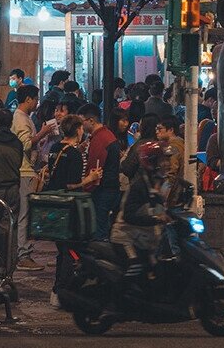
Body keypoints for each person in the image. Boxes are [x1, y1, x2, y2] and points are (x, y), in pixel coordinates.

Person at [46, 113, 101, 307]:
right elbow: (71, 184)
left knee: (63, 250)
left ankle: (58, 291)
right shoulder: (75, 154)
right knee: (70, 250)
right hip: (68, 207)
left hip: (54, 206)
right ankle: (61, 292)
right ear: (78, 130)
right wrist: (90, 178)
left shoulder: (55, 148)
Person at [110, 141, 174, 277]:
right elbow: (129, 214)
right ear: (152, 162)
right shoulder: (139, 186)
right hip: (126, 238)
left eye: (168, 159)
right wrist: (156, 219)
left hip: (147, 242)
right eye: (163, 160)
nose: (167, 164)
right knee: (135, 269)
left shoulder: (163, 184)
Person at [13, 83, 54, 270]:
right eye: (36, 99)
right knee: (24, 215)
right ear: (28, 99)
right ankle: (23, 255)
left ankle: (20, 252)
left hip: (24, 170)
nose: (37, 103)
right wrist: (43, 133)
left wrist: (40, 137)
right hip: (24, 172)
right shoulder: (21, 119)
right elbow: (26, 145)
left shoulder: (22, 118)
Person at [79, 102, 121, 240]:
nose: (81, 126)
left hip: (103, 191)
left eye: (82, 122)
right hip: (109, 189)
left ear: (91, 120)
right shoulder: (103, 136)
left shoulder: (101, 139)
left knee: (99, 230)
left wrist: (85, 186)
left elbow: (95, 167)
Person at [0, 107, 23, 270]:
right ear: (10, 123)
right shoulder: (17, 142)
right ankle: (8, 266)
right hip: (13, 190)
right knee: (9, 229)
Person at [122, 113, 160, 181]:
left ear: (144, 127)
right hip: (158, 186)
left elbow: (127, 168)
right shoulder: (161, 144)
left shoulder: (140, 145)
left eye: (140, 124)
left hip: (139, 185)